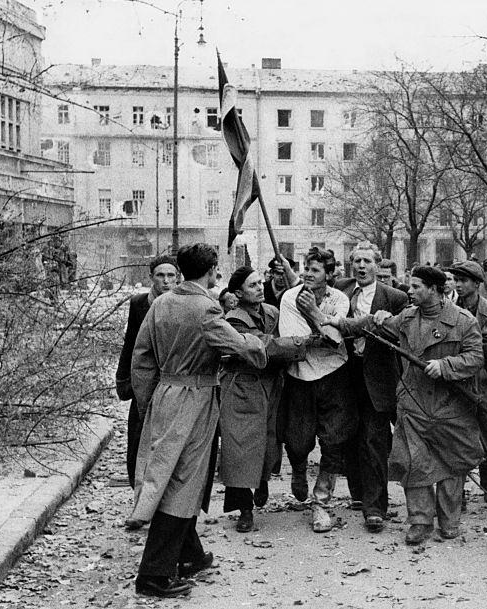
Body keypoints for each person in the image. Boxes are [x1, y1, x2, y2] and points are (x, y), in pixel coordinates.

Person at [129, 244, 268, 598]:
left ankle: (190, 556)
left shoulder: (159, 303)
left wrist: (149, 404)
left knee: (176, 475)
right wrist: (256, 343)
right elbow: (243, 348)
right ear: (211, 271)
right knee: (182, 482)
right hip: (195, 399)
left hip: (164, 394)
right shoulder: (206, 307)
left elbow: (141, 360)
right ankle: (154, 576)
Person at [319, 266, 485, 545]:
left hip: (451, 405)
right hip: (414, 402)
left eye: (417, 286)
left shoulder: (463, 321)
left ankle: (449, 520)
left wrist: (446, 366)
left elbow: (475, 357)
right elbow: (370, 324)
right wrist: (335, 322)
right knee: (413, 463)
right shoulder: (407, 317)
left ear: (433, 289)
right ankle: (420, 521)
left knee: (452, 465)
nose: (410, 291)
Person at [219, 267, 317, 534]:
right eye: (253, 286)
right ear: (238, 293)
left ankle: (261, 480)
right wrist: (301, 342)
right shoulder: (233, 320)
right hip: (242, 386)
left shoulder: (272, 313)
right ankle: (244, 509)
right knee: (240, 448)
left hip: (272, 385)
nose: (260, 288)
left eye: (260, 283)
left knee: (269, 441)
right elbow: (264, 346)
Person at [278, 246, 355, 533]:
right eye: (306, 269)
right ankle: (298, 469)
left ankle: (321, 501)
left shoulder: (340, 299)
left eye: (315, 270)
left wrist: (313, 313)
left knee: (334, 440)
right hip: (300, 376)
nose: (308, 274)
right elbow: (293, 341)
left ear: (330, 274)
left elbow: (336, 338)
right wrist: (321, 328)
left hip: (334, 374)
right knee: (297, 441)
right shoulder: (289, 297)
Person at [336, 242, 409, 533]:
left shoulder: (395, 297)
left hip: (378, 378)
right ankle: (357, 494)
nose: (361, 266)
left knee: (374, 441)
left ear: (378, 265)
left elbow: (402, 335)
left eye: (367, 261)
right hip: (344, 376)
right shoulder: (340, 290)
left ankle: (376, 507)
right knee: (349, 438)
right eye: (356, 261)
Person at [115, 256, 180, 490]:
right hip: (144, 382)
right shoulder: (139, 303)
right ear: (151, 277)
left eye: (171, 276)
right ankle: (138, 488)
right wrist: (124, 379)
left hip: (172, 381)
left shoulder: (181, 304)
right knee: (138, 436)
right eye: (160, 275)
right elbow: (130, 343)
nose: (165, 281)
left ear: (178, 278)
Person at [446, 260, 487, 502]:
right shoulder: (448, 310)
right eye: (456, 280)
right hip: (457, 383)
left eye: (464, 281)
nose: (458, 285)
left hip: (483, 384)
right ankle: (456, 492)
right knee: (456, 436)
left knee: (486, 435)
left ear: (477, 284)